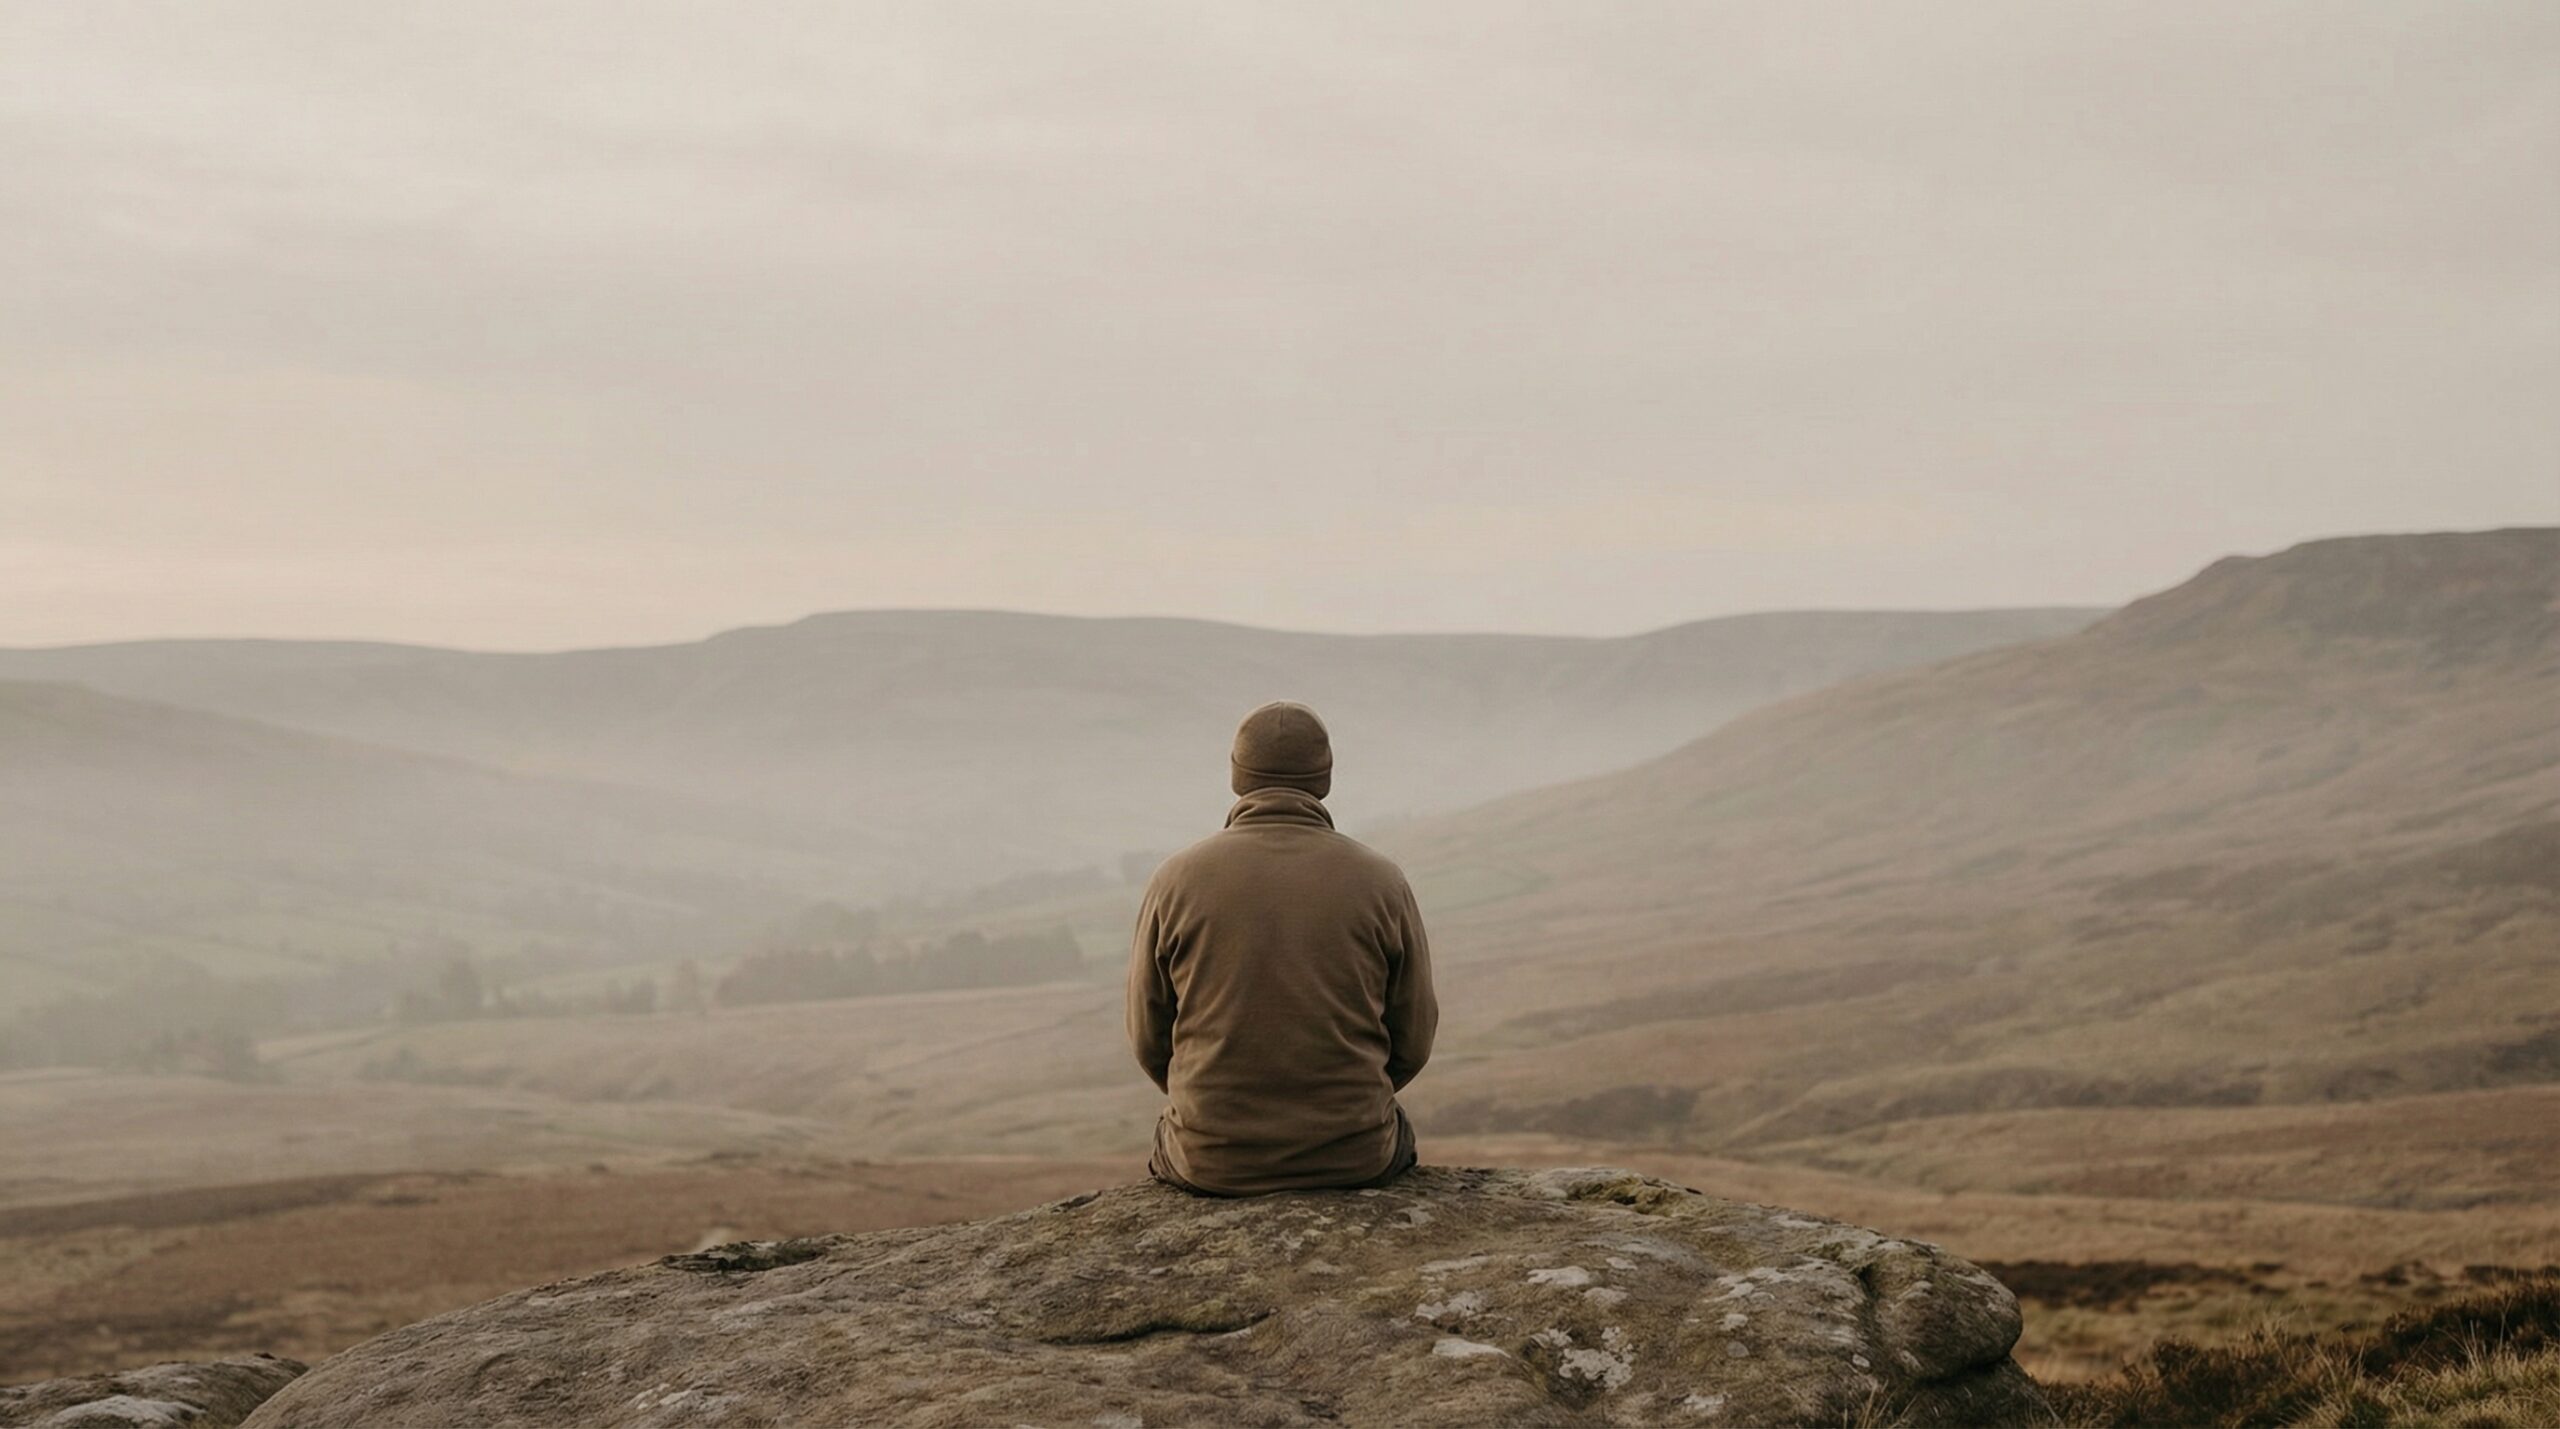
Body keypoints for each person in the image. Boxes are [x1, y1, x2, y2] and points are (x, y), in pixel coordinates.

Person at [1126, 700, 1438, 1195]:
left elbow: (1148, 1036)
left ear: (1237, 777)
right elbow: (1414, 1038)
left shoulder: (1175, 880)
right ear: (1325, 780)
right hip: (1354, 1155)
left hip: (1210, 1159)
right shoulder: (1382, 881)